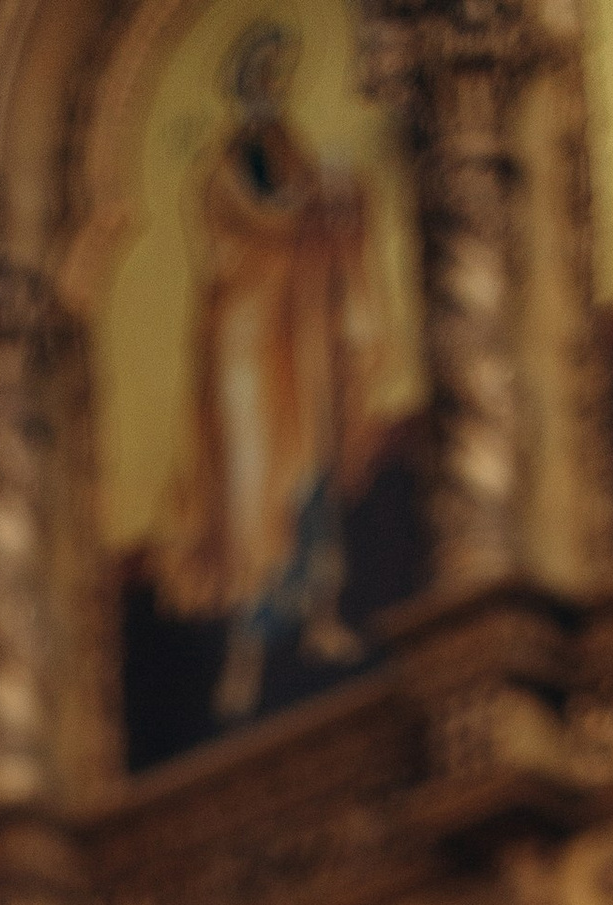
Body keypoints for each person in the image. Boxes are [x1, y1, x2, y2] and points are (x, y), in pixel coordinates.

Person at [154, 17, 385, 723]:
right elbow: (235, 242)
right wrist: (299, 215)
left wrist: (342, 203)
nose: (275, 89)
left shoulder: (293, 152)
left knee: (309, 481)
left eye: (282, 77)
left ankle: (319, 618)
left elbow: (323, 218)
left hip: (300, 339)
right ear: (245, 85)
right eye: (265, 76)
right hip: (246, 351)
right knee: (252, 496)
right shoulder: (224, 168)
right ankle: (242, 660)